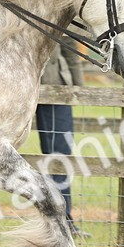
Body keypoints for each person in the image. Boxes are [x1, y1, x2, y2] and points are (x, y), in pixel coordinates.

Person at [35, 46, 89, 236]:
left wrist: (77, 87)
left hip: (54, 81)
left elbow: (70, 44)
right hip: (8, 79)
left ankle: (62, 221)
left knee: (60, 151)